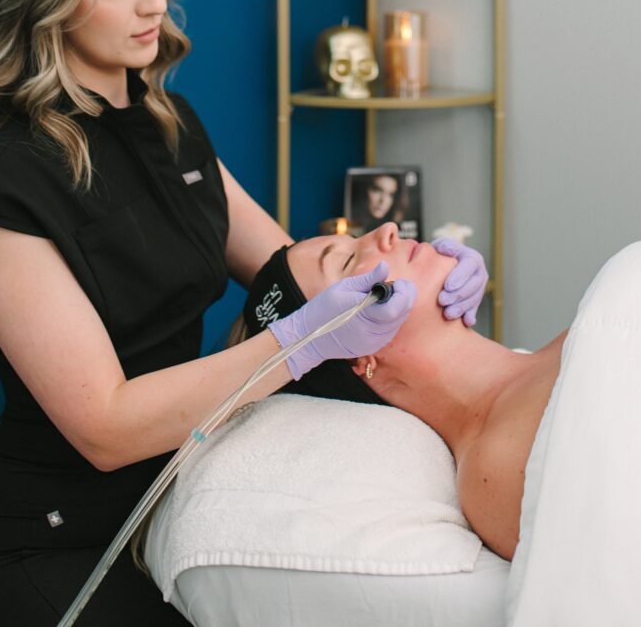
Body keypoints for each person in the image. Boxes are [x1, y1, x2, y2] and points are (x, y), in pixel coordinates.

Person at [0, 0, 489, 626]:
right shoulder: (7, 170)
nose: (153, 1)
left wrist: (411, 284)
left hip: (181, 490)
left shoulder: (168, 126)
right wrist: (295, 342)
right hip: (55, 535)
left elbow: (298, 274)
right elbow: (103, 426)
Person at [241, 222, 566, 562]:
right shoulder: (497, 471)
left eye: (354, 238)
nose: (388, 229)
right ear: (356, 353)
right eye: (347, 261)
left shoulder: (579, 333)